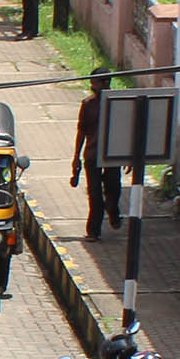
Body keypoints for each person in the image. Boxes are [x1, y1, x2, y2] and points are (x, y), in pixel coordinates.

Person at [70, 74, 123, 241]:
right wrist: (76, 157)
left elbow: (127, 128)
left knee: (113, 189)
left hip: (114, 155)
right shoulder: (88, 105)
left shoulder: (119, 104)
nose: (102, 85)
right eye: (97, 82)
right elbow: (81, 131)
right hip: (92, 156)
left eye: (105, 81)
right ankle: (93, 231)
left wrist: (130, 156)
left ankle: (113, 212)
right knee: (95, 194)